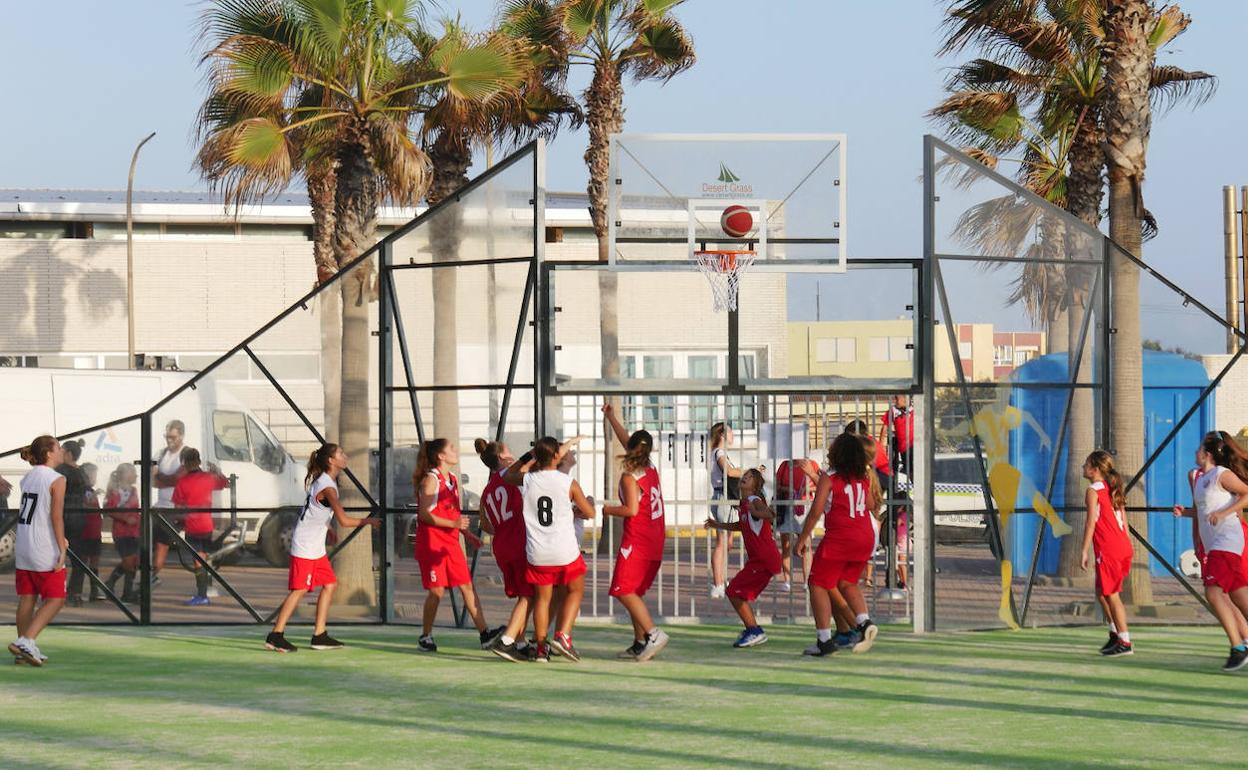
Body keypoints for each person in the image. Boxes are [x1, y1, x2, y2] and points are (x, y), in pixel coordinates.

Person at [266, 443, 379, 653]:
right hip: (305, 547)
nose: (345, 456)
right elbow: (344, 520)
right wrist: (368, 521)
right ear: (331, 460)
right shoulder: (327, 487)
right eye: (340, 454)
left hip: (315, 547)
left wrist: (328, 529)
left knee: (330, 584)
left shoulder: (326, 482)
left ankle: (319, 635)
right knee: (299, 590)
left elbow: (317, 512)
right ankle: (276, 635)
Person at [504, 436, 596, 663]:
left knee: (542, 600)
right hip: (564, 550)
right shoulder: (568, 482)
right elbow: (590, 513)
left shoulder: (528, 479)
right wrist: (580, 508)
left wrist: (528, 456)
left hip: (538, 552)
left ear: (537, 456)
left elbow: (507, 475)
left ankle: (540, 649)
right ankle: (563, 635)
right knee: (575, 590)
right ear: (557, 456)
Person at [798, 432, 882, 657]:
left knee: (817, 583)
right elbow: (870, 503)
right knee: (847, 583)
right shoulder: (862, 477)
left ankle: (824, 640)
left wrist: (803, 537)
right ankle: (864, 622)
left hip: (840, 537)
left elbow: (815, 511)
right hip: (864, 537)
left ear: (837, 453)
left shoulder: (830, 477)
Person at [412, 438, 500, 653]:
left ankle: (485, 634)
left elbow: (450, 514)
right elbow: (423, 515)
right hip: (432, 546)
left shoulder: (451, 479)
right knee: (437, 592)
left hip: (450, 545)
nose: (455, 450)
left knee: (467, 587)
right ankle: (425, 636)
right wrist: (454, 524)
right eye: (451, 448)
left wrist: (466, 533)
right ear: (441, 456)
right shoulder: (431, 480)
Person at [1173, 431, 1248, 672]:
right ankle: (1241, 645)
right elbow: (1204, 512)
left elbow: (1246, 494)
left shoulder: (1221, 474)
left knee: (1214, 593)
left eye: (1199, 449)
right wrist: (1184, 513)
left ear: (1207, 454)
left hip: (1227, 541)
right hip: (1214, 543)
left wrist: (1224, 513)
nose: (1195, 452)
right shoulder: (1200, 479)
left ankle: (1238, 648)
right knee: (1239, 596)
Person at [601, 403, 671, 661]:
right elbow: (627, 441)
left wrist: (608, 510)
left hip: (637, 542)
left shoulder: (630, 477)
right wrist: (611, 418)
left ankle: (653, 633)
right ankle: (640, 641)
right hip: (654, 541)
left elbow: (630, 510)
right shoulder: (650, 469)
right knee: (634, 593)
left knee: (622, 590)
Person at [706, 468, 781, 648]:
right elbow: (742, 525)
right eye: (745, 476)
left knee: (734, 591)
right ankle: (752, 629)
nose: (745, 478)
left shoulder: (755, 501)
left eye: (749, 477)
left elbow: (770, 515)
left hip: (764, 559)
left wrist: (759, 513)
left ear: (755, 485)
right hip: (759, 560)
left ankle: (754, 631)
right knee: (737, 592)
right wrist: (718, 524)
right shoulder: (745, 503)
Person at [9, 436, 68, 666]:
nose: (62, 450)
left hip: (24, 543)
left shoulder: (28, 477)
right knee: (56, 599)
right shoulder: (57, 479)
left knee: (28, 596)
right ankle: (26, 641)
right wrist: (61, 547)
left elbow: (39, 512)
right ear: (49, 453)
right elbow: (56, 516)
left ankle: (23, 651)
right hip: (43, 547)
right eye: (58, 447)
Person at [477, 438, 536, 663]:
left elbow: (484, 524)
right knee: (529, 594)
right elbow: (530, 463)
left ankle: (520, 642)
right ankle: (508, 640)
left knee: (523, 595)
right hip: (517, 542)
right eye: (509, 451)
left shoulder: (487, 489)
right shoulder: (512, 475)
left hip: (501, 544)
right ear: (502, 456)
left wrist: (502, 527)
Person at [1078, 450, 1135, 657]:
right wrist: (1127, 544)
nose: (1083, 467)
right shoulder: (1112, 487)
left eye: (1086, 464)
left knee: (1112, 595)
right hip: (1120, 546)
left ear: (1095, 469)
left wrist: (1084, 550)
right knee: (1101, 592)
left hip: (1110, 548)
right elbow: (1123, 518)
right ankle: (1115, 633)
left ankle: (1125, 642)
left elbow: (1090, 523)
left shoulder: (1093, 491)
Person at [171, 448, 228, 606]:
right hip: (206, 524)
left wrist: (178, 521)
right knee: (204, 556)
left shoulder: (182, 482)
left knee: (198, 560)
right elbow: (225, 482)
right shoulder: (208, 478)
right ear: (199, 461)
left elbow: (177, 507)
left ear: (185, 463)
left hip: (192, 525)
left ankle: (202, 594)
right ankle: (205, 591)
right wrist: (216, 471)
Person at [774, 458, 819, 592]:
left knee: (806, 545)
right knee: (786, 545)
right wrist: (789, 489)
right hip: (787, 506)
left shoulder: (812, 464)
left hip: (805, 506)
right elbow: (777, 486)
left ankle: (806, 581)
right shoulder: (785, 465)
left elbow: (820, 484)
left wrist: (807, 489)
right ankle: (787, 581)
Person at [151, 420, 186, 587]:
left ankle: (153, 577)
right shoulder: (161, 453)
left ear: (181, 436)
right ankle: (149, 577)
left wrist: (162, 477)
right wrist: (167, 479)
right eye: (167, 437)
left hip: (175, 508)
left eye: (173, 437)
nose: (169, 440)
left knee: (162, 543)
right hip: (159, 506)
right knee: (147, 542)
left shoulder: (186, 454)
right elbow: (153, 481)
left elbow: (179, 478)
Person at [55, 439, 90, 606]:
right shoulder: (82, 473)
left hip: (63, 518)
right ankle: (75, 593)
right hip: (79, 519)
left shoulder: (60, 471)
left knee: (56, 556)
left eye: (61, 450)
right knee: (79, 559)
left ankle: (54, 592)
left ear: (68, 454)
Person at [103, 463, 141, 603]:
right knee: (128, 560)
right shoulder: (114, 491)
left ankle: (120, 588)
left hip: (134, 531)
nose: (135, 476)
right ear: (124, 475)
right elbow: (108, 509)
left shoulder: (133, 490)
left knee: (133, 561)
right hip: (121, 531)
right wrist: (124, 518)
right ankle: (123, 590)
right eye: (132, 473)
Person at [79, 463, 104, 602]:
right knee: (83, 560)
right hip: (85, 531)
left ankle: (94, 590)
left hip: (95, 531)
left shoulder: (90, 490)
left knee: (95, 561)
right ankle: (77, 590)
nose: (94, 478)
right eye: (92, 475)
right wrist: (94, 495)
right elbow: (83, 505)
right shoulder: (82, 491)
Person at [879, 394, 915, 479]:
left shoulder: (915, 409)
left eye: (897, 398)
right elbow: (884, 428)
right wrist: (881, 444)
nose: (895, 401)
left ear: (905, 399)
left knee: (916, 468)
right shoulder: (893, 411)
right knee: (909, 470)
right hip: (904, 447)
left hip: (914, 444)